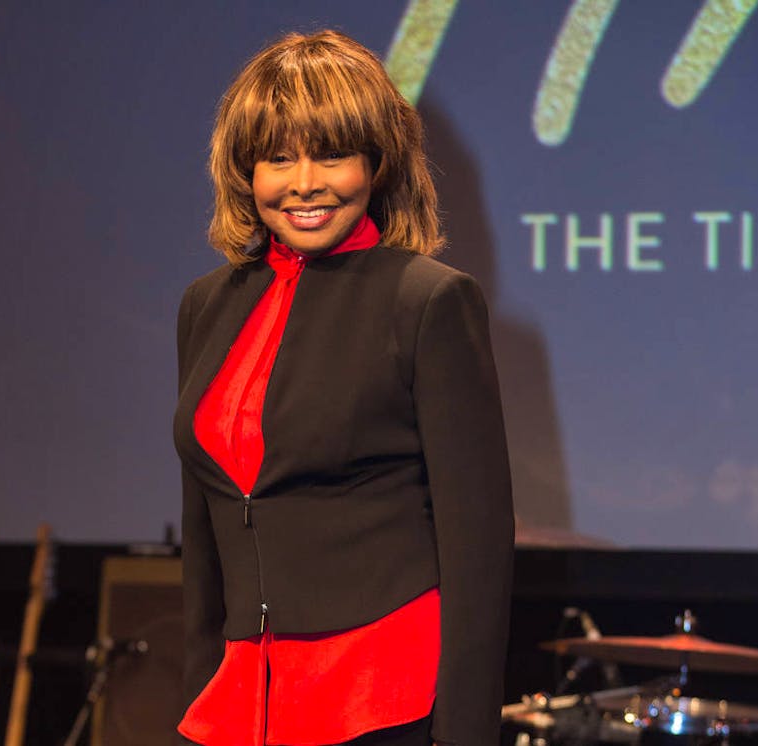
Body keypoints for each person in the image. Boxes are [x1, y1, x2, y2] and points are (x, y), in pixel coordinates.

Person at [173, 30, 513, 746]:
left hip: (381, 700)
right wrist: (200, 680)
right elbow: (204, 523)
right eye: (277, 158)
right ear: (244, 171)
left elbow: (477, 553)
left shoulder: (428, 302)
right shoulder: (207, 305)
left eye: (331, 154)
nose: (304, 183)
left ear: (376, 163)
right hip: (240, 699)